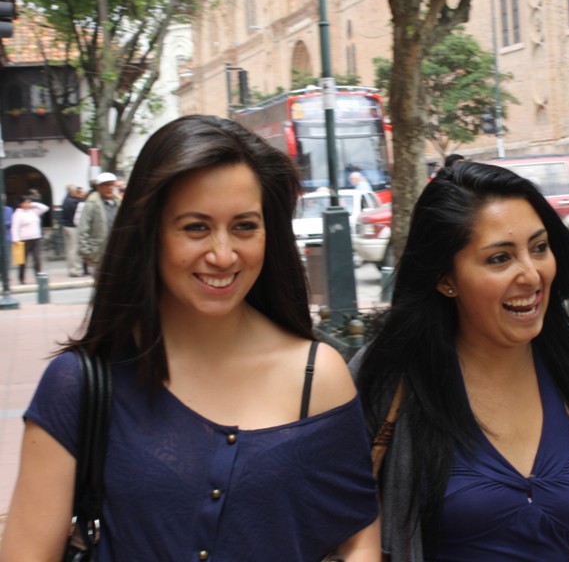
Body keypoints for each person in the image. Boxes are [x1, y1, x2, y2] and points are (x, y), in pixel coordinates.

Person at [1, 115, 380, 562]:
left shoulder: (316, 374)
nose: (222, 254)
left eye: (244, 226)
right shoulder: (81, 386)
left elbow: (359, 539)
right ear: (150, 233)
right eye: (195, 227)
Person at [350, 162, 569, 561]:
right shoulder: (386, 377)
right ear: (446, 278)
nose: (531, 274)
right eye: (499, 259)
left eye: (539, 247)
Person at [78, 171, 122, 275]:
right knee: (102, 283)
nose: (110, 188)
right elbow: (83, 229)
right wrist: (85, 251)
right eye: (106, 185)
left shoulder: (119, 203)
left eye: (111, 185)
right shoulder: (92, 204)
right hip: (99, 252)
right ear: (99, 187)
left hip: (118, 250)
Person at [10, 195, 49, 285]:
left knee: (37, 259)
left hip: (36, 238)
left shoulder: (33, 211)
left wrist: (33, 204)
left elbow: (45, 208)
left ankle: (39, 277)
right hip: (24, 239)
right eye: (25, 202)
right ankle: (21, 278)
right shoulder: (18, 214)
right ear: (21, 204)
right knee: (23, 261)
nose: (27, 204)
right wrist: (16, 239)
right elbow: (15, 228)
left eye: (28, 202)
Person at [61, 184, 85, 277]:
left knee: (69, 250)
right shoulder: (74, 202)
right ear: (72, 192)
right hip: (72, 227)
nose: (77, 193)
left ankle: (71, 269)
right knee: (74, 249)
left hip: (65, 226)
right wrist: (81, 197)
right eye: (76, 192)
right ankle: (76, 270)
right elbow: (81, 204)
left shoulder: (65, 200)